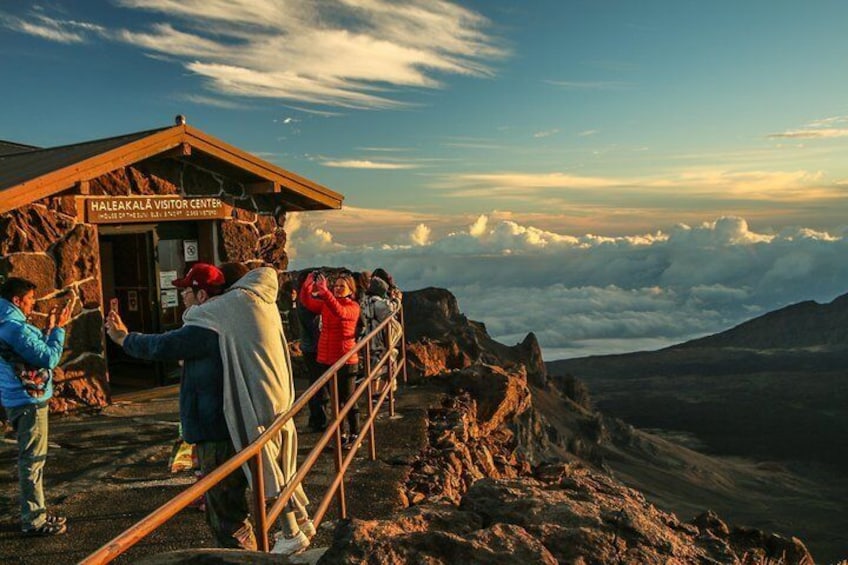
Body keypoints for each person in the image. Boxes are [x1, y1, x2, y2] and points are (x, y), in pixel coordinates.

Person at [104, 263, 257, 551]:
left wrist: (124, 338)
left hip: (217, 432)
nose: (183, 295)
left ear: (201, 295)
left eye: (186, 289)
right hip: (222, 427)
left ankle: (246, 559)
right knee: (227, 510)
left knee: (227, 517)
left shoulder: (206, 326)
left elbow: (162, 345)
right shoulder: (222, 320)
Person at [182, 266, 313, 555]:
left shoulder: (236, 301)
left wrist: (123, 338)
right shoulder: (263, 298)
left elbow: (192, 317)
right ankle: (299, 520)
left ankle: (290, 532)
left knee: (265, 469)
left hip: (256, 398)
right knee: (282, 465)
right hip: (278, 395)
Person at [0, 277, 71, 536]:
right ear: (17, 300)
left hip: (18, 397)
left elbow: (32, 349)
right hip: (28, 400)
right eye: (29, 300)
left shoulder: (9, 323)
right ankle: (34, 519)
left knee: (32, 460)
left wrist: (49, 329)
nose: (32, 305)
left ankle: (36, 512)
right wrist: (60, 330)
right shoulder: (13, 328)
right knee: (32, 461)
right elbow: (48, 357)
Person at [301, 271, 361, 449]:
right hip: (325, 359)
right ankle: (340, 434)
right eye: (336, 286)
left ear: (351, 290)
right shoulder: (327, 304)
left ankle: (355, 434)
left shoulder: (353, 307)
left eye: (342, 286)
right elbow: (308, 303)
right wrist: (308, 285)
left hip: (346, 360)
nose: (337, 289)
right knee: (334, 400)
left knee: (348, 400)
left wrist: (325, 292)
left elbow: (341, 312)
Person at [359, 277, 401, 394]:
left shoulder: (365, 301)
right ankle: (384, 396)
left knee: (374, 371)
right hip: (379, 341)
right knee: (384, 369)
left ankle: (375, 396)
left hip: (369, 340)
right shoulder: (377, 303)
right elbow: (390, 308)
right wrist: (397, 300)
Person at [297, 270, 327, 433]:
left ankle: (317, 418)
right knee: (318, 385)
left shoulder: (304, 300)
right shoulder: (305, 302)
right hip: (314, 348)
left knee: (318, 384)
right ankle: (318, 420)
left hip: (311, 347)